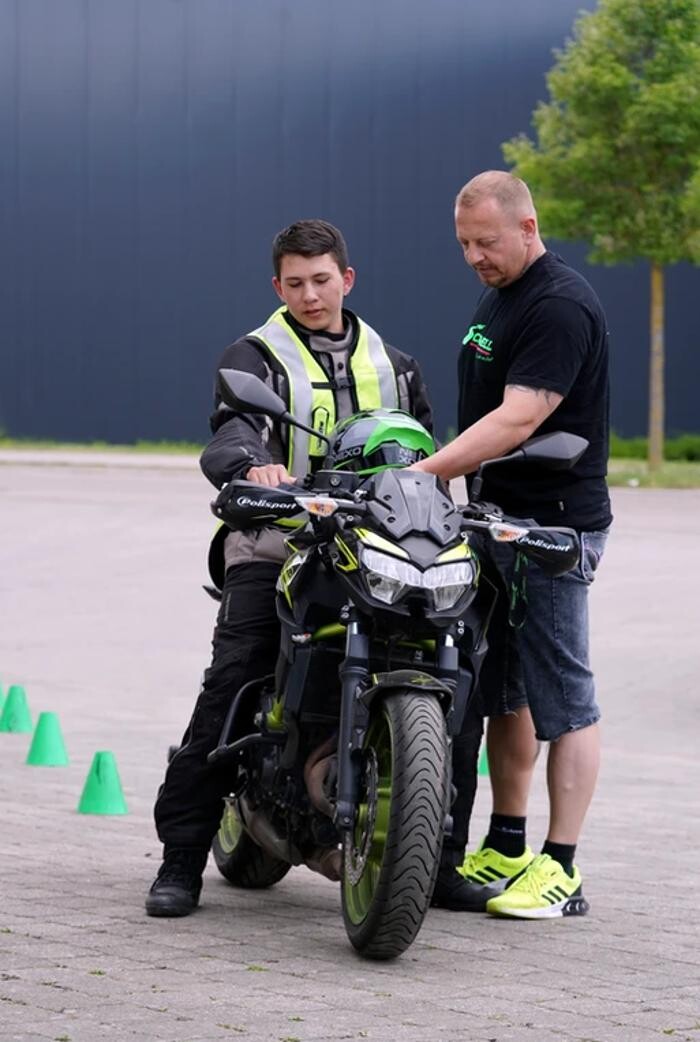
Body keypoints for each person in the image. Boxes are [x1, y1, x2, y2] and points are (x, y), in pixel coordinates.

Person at [145, 219, 434, 916]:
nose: (310, 295)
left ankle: (436, 856)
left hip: (375, 547)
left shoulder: (395, 364)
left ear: (347, 279)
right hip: (276, 539)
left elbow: (427, 452)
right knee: (234, 679)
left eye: (322, 280)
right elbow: (232, 433)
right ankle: (182, 857)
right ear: (278, 286)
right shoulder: (255, 356)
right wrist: (253, 467)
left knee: (447, 659)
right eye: (296, 283)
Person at [421, 170, 611, 918]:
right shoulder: (502, 292)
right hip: (496, 522)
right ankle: (506, 843)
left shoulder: (558, 304)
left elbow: (520, 418)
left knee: (564, 698)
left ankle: (562, 869)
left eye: (487, 242)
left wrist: (425, 473)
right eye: (464, 244)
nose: (475, 256)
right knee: (507, 691)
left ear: (528, 228)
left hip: (551, 531)